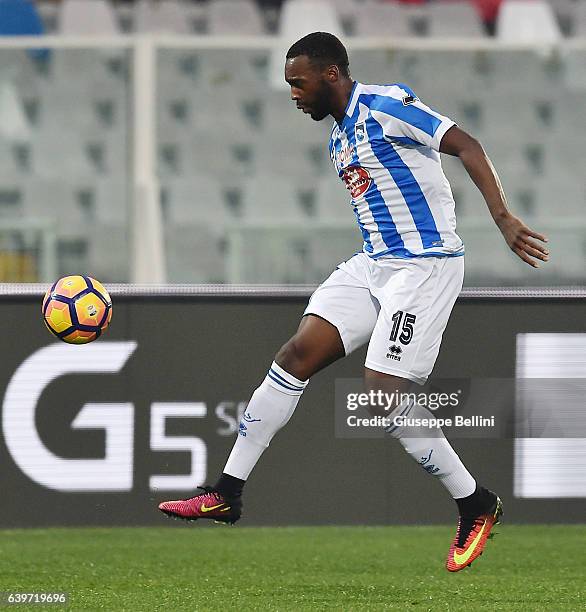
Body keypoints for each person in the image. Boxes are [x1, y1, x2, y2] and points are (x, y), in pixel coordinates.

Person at [159, 32, 549, 572]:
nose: (293, 94)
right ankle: (227, 492)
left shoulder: (387, 105)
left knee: (383, 393)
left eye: (299, 83)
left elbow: (466, 145)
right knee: (295, 356)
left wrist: (502, 217)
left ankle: (476, 503)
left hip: (424, 266)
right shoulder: (338, 136)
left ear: (331, 75)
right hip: (373, 264)